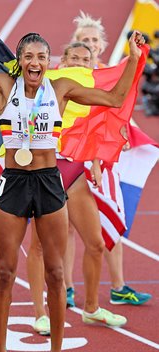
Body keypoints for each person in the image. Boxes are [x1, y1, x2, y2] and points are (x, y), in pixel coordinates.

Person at [0, 5, 144, 352]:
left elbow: (115, 97)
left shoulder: (62, 88)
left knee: (55, 273)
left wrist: (134, 60)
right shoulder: (3, 85)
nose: (35, 62)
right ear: (19, 61)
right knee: (4, 272)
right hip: (15, 182)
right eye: (28, 56)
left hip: (50, 183)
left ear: (48, 62)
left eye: (41, 57)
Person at [27, 42, 127, 338]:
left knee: (96, 244)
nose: (81, 63)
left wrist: (96, 161)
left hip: (75, 171)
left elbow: (107, 114)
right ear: (63, 60)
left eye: (87, 59)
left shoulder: (89, 93)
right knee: (40, 246)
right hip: (47, 169)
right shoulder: (52, 85)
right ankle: (39, 313)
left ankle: (92, 308)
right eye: (75, 57)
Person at [69, 11, 152, 306]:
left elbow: (120, 109)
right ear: (74, 44)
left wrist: (127, 134)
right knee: (66, 226)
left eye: (94, 39)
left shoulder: (109, 73)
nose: (90, 44)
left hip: (103, 158)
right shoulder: (67, 73)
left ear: (102, 44)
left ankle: (119, 286)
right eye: (84, 40)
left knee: (111, 218)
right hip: (73, 157)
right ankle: (67, 288)